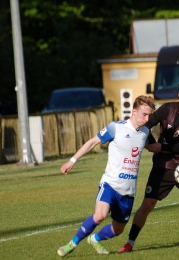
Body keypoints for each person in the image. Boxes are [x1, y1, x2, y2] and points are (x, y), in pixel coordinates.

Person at [118, 79, 179, 253]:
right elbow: (146, 125)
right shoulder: (167, 109)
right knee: (147, 205)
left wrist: (161, 147)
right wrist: (151, 142)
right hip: (162, 167)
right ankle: (130, 243)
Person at [57, 95, 155, 257]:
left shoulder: (145, 132)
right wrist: (71, 161)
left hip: (128, 191)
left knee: (118, 229)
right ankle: (71, 244)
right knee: (100, 215)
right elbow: (92, 142)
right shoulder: (115, 128)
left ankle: (94, 239)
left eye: (149, 115)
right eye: (144, 114)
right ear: (134, 111)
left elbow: (152, 146)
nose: (147, 118)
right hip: (110, 184)